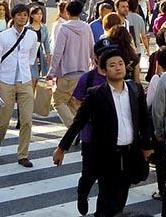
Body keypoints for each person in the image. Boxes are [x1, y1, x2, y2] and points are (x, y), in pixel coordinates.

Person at [54, 48, 154, 217]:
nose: (118, 68)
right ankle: (89, 200)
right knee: (107, 199)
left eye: (120, 64)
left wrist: (147, 146)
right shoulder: (96, 94)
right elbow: (79, 122)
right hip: (107, 155)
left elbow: (144, 121)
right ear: (104, 70)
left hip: (129, 153)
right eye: (112, 65)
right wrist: (62, 148)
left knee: (121, 197)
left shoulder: (135, 89)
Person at [0, 3, 39, 168]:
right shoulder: (3, 36)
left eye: (25, 15)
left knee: (27, 120)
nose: (22, 18)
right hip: (6, 81)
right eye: (19, 15)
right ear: (13, 16)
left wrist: (32, 80)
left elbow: (31, 58)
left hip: (24, 81)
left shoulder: (32, 35)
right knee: (4, 120)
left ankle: (23, 155)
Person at [69, 43, 109, 215]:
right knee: (89, 174)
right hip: (90, 136)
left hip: (111, 137)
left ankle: (102, 211)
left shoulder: (116, 76)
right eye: (102, 54)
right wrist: (87, 115)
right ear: (95, 57)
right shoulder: (88, 78)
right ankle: (83, 192)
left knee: (107, 180)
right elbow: (76, 100)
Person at [47, 0, 95, 128]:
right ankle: (81, 128)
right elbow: (92, 49)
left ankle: (74, 129)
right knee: (75, 103)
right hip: (83, 71)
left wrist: (51, 72)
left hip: (67, 72)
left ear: (67, 12)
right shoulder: (86, 27)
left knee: (58, 101)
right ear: (80, 12)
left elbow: (58, 52)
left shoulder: (64, 28)